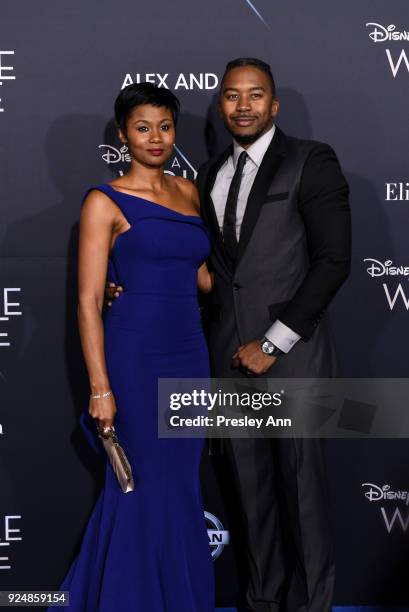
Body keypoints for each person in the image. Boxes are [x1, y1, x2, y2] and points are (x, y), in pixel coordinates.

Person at [106, 58, 352, 612]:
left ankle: (313, 607)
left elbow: (334, 261)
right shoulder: (209, 174)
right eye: (233, 96)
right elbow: (206, 270)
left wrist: (271, 343)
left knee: (302, 495)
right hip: (223, 359)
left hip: (292, 359)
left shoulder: (311, 160)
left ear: (274, 104)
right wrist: (117, 285)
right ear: (220, 105)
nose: (244, 106)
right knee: (250, 496)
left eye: (256, 95)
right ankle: (263, 603)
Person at [48, 83, 215, 612]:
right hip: (135, 358)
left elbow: (204, 278)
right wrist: (101, 388)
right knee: (138, 487)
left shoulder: (190, 193)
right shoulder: (104, 201)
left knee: (181, 488)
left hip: (190, 354)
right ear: (123, 135)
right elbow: (88, 300)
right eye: (143, 128)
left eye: (165, 127)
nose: (155, 138)